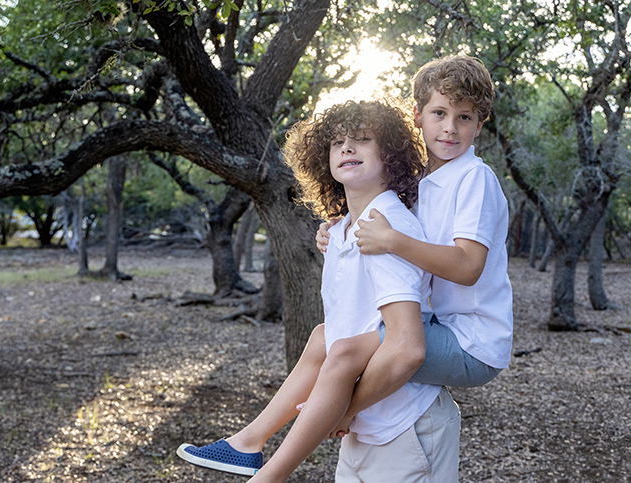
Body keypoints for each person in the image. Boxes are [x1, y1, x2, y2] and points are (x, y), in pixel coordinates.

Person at [177, 100, 460, 483]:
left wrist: (344, 409)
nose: (346, 148)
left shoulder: (387, 227)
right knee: (323, 336)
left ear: (389, 154)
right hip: (364, 427)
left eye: (362, 140)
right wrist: (345, 411)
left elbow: (407, 347)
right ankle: (248, 443)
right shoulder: (342, 230)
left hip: (404, 426)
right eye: (336, 142)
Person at [318, 55, 514, 390]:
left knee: (345, 348)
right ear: (418, 116)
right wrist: (339, 229)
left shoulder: (474, 178)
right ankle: (250, 439)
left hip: (473, 341)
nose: (450, 127)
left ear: (479, 126)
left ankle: (344, 413)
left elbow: (468, 267)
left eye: (464, 117)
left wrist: (393, 241)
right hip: (437, 323)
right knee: (326, 339)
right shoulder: (418, 179)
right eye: (439, 113)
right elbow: (377, 206)